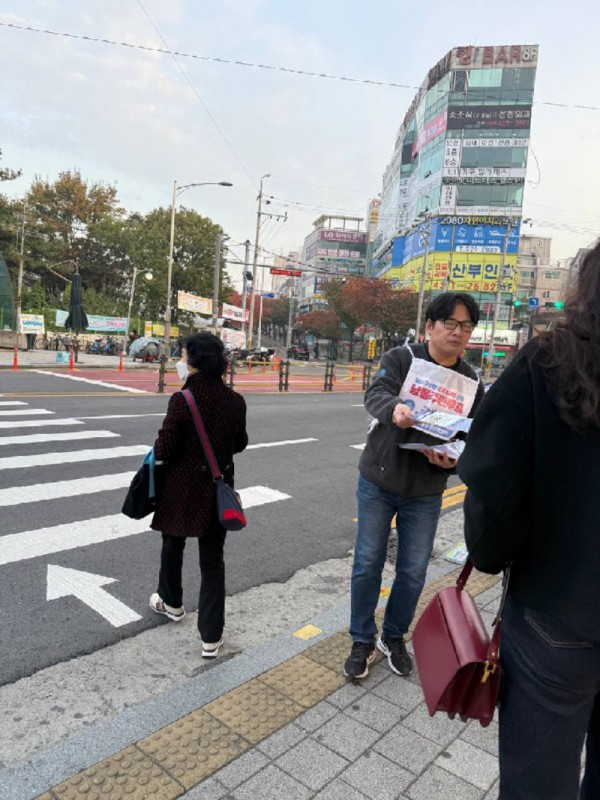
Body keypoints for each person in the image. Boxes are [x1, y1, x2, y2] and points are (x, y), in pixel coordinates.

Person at [458, 242, 600, 800]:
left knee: (539, 778)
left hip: (557, 608)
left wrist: (494, 553)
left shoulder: (548, 363)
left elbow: (494, 481)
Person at [344, 292, 484, 679]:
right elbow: (375, 394)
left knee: (413, 570)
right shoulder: (402, 359)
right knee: (367, 562)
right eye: (451, 324)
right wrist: (395, 410)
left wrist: (453, 461)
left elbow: (473, 437)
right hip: (379, 478)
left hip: (426, 488)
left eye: (467, 326)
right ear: (430, 327)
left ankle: (393, 636)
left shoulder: (471, 382)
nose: (459, 333)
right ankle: (361, 639)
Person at [149, 333, 248, 659]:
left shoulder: (183, 400)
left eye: (183, 355)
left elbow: (163, 448)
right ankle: (211, 637)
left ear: (194, 362)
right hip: (216, 491)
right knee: (212, 561)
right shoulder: (235, 401)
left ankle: (172, 602)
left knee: (172, 544)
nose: (181, 361)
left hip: (179, 489)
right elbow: (240, 444)